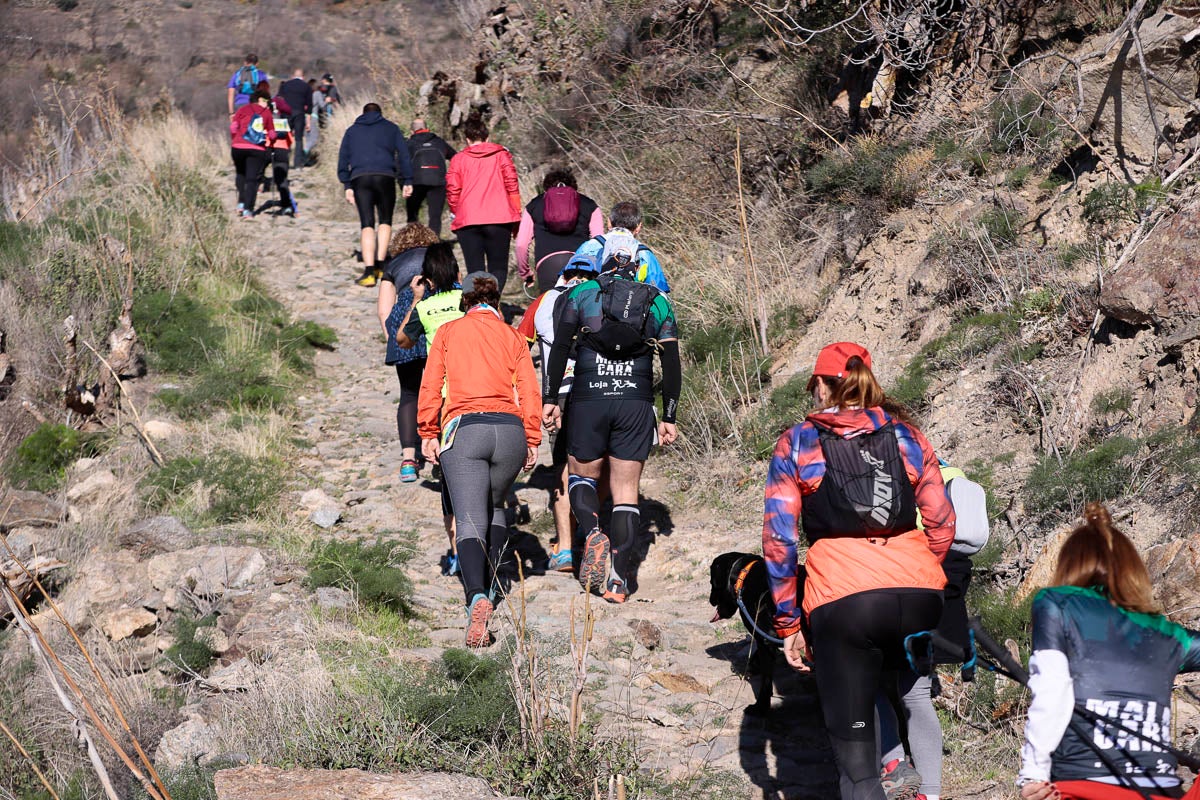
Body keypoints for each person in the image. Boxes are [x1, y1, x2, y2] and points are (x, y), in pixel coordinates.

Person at [762, 341, 955, 800]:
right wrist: (917, 568)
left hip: (845, 599)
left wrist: (789, 622)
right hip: (920, 595)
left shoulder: (799, 442)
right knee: (909, 690)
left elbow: (780, 542)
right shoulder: (908, 435)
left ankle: (879, 772)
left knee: (856, 769)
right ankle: (921, 781)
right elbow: (943, 522)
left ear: (823, 387)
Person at [1017, 503, 1200, 800]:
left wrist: (1033, 775)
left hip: (1082, 785)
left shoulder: (1057, 604)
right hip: (1161, 790)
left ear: (1069, 565)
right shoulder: (1169, 634)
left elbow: (1052, 691)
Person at [541, 254, 681, 603]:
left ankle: (590, 534)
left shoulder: (584, 292)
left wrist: (549, 398)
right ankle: (618, 581)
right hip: (636, 399)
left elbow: (560, 346)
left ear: (605, 269)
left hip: (589, 396)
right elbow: (672, 360)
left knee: (581, 476)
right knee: (626, 490)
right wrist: (669, 417)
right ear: (639, 274)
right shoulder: (658, 300)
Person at [418, 271, 541, 648]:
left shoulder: (450, 333)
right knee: (496, 503)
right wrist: (532, 437)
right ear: (495, 302)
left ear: (464, 301)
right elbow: (529, 388)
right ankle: (492, 581)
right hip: (509, 432)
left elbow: (431, 383)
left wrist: (427, 431)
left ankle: (476, 596)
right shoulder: (512, 336)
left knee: (469, 518)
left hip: (465, 428)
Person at [516, 251, 601, 572]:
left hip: (558, 397)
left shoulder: (543, 301)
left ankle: (565, 549)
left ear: (563, 276)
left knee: (564, 470)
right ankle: (593, 536)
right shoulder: (603, 296)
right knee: (600, 468)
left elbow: (518, 347)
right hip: (600, 392)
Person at [397, 242, 466, 573]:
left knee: (448, 478)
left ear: (428, 276)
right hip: (474, 390)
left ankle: (455, 550)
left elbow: (402, 340)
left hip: (440, 396)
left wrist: (415, 299)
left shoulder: (426, 308)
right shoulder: (466, 302)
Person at [378, 223, 440, 481]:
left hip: (405, 317)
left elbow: (383, 309)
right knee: (442, 387)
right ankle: (441, 447)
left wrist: (392, 338)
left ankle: (408, 459)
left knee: (409, 392)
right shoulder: (440, 257)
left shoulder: (393, 265)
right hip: (437, 315)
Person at [337, 103, 414, 287]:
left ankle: (369, 271)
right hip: (385, 177)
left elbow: (343, 159)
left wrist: (346, 184)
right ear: (380, 113)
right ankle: (382, 265)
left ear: (362, 114)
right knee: (385, 221)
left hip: (359, 179)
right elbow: (404, 155)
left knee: (367, 224)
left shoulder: (351, 131)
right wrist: (408, 180)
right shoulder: (391, 128)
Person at [445, 117, 521, 291]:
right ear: (488, 138)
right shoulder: (501, 155)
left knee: (474, 269)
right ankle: (493, 305)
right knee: (498, 267)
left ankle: (477, 308)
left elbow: (452, 189)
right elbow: (512, 183)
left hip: (468, 218)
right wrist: (516, 211)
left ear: (467, 140)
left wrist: (456, 211)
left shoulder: (458, 159)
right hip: (499, 217)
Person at [515, 167, 604, 293]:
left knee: (549, 309)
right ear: (574, 187)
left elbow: (521, 245)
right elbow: (598, 243)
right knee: (579, 309)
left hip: (547, 265)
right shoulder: (589, 204)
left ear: (546, 188)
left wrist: (525, 273)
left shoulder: (534, 205)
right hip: (580, 264)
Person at [572, 200, 670, 293]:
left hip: (590, 307)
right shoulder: (644, 254)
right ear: (638, 227)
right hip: (630, 308)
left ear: (609, 222)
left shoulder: (589, 246)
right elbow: (659, 292)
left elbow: (569, 283)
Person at [229, 90, 276, 220]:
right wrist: (272, 141)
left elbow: (233, 128)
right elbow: (272, 134)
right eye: (267, 101)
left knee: (240, 174)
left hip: (238, 146)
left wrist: (236, 139)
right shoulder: (266, 113)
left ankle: (240, 203)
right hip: (257, 149)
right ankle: (248, 211)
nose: (268, 104)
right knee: (252, 179)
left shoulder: (242, 109)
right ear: (260, 100)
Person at [406, 119, 456, 236]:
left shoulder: (409, 144)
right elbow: (455, 157)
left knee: (412, 215)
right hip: (438, 181)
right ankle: (433, 246)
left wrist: (403, 182)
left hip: (416, 182)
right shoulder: (439, 142)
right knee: (435, 216)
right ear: (427, 128)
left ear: (412, 131)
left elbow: (400, 163)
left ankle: (413, 243)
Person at [266, 89, 297, 217]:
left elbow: (266, 138)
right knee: (282, 179)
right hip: (283, 151)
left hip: (271, 150)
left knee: (278, 178)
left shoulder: (266, 121)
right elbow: (290, 139)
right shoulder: (284, 122)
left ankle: (287, 205)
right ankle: (288, 205)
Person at [279, 69, 314, 168]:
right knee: (298, 138)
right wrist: (308, 122)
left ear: (293, 76)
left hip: (285, 113)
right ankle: (297, 164)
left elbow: (279, 100)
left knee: (285, 137)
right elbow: (309, 106)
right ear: (303, 77)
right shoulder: (306, 87)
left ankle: (283, 161)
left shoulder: (285, 85)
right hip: (299, 113)